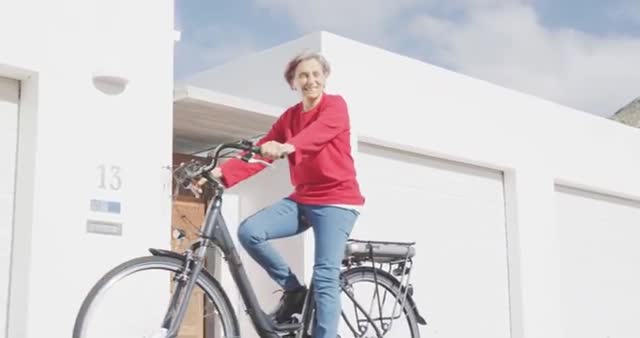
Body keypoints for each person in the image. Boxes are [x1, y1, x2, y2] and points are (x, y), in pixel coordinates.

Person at [201, 51, 365, 338]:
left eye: (316, 74)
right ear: (293, 82)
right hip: (304, 197)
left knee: (325, 276)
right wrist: (220, 174)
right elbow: (260, 152)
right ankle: (293, 291)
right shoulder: (289, 118)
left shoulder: (335, 106)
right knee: (250, 231)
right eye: (303, 75)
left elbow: (318, 134)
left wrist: (288, 147)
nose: (310, 80)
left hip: (338, 200)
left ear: (325, 77)